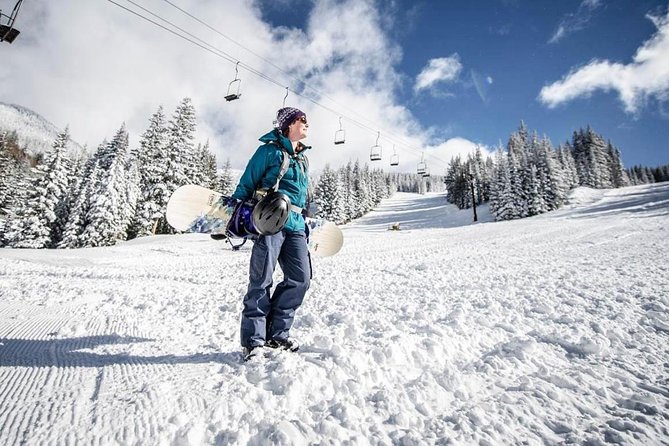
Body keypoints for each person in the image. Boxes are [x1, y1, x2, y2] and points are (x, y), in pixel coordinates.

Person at [231, 107, 312, 361]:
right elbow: (247, 182)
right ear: (288, 124)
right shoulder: (268, 151)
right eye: (302, 120)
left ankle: (277, 335)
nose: (306, 124)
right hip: (269, 222)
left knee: (301, 279)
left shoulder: (303, 158)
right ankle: (253, 341)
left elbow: (301, 195)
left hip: (296, 224)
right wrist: (237, 217)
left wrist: (305, 221)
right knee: (261, 279)